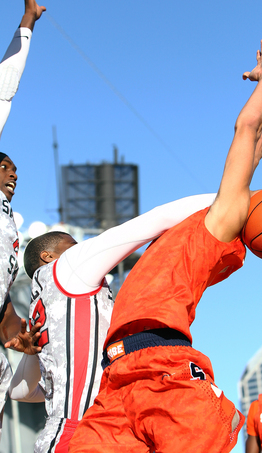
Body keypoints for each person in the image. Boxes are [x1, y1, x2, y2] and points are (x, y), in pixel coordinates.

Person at [68, 33, 262, 453]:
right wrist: (248, 168)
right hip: (118, 381)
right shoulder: (183, 236)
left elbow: (245, 128)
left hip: (167, 371)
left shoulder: (217, 228)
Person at [8, 192, 218, 453]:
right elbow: (155, 220)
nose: (84, 248)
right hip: (80, 433)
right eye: (74, 245)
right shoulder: (69, 268)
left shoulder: (47, 307)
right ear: (49, 257)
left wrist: (32, 356)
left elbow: (20, 392)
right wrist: (230, 199)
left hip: (93, 432)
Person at [0, 0, 45, 438]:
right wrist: (27, 23)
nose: (13, 172)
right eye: (4, 165)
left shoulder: (9, 224)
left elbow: (0, 308)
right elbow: (3, 90)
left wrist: (16, 332)